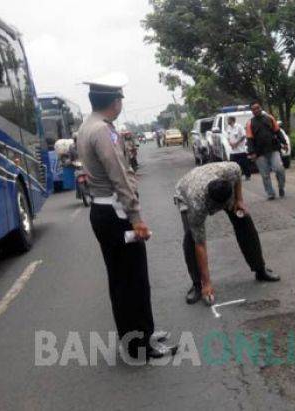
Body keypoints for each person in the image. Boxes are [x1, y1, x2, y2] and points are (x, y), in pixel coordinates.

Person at [76, 72, 177, 360]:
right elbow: (119, 176)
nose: (121, 102)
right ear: (114, 102)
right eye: (120, 97)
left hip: (102, 210)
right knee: (133, 279)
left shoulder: (88, 126)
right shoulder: (104, 131)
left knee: (121, 279)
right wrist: (136, 218)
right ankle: (141, 345)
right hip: (116, 211)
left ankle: (138, 336)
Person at [174, 162, 280, 305]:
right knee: (192, 239)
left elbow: (238, 171)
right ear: (211, 202)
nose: (222, 208)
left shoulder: (229, 171)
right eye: (220, 206)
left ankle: (260, 269)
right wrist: (207, 283)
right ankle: (198, 285)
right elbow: (201, 245)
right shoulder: (197, 203)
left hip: (212, 180)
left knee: (244, 220)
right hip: (185, 192)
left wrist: (239, 200)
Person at [246, 101, 286, 200]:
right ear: (251, 111)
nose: (256, 110)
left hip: (273, 149)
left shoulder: (269, 118)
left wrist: (284, 143)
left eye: (257, 108)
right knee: (265, 175)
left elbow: (277, 131)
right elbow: (249, 139)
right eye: (253, 109)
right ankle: (270, 193)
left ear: (261, 108)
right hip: (259, 153)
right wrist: (252, 153)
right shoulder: (250, 123)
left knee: (279, 169)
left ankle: (281, 187)